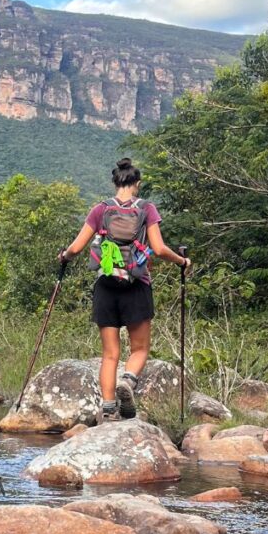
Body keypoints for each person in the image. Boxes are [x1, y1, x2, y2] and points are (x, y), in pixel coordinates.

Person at [58, 158, 191, 421]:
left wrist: (63, 257)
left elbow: (75, 248)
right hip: (136, 286)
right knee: (140, 348)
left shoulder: (100, 210)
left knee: (110, 354)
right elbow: (161, 248)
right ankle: (128, 382)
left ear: (115, 182)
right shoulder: (147, 209)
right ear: (137, 184)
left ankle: (108, 409)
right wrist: (182, 261)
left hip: (106, 287)